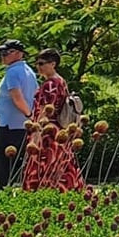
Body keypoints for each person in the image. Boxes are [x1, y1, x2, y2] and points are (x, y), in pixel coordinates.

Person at [22, 48, 85, 192]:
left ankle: (41, 193)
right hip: (59, 131)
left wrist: (36, 135)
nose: (38, 67)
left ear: (53, 64)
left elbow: (45, 110)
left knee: (43, 164)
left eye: (42, 63)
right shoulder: (61, 81)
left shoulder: (50, 84)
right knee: (62, 164)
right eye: (37, 63)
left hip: (47, 132)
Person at [0, 39, 37, 190]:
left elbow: (17, 97)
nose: (2, 56)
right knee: (21, 165)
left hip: (9, 126)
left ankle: (4, 195)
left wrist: (29, 115)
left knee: (5, 166)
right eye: (1, 53)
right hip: (21, 126)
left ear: (19, 54)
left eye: (6, 52)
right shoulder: (29, 71)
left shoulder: (12, 72)